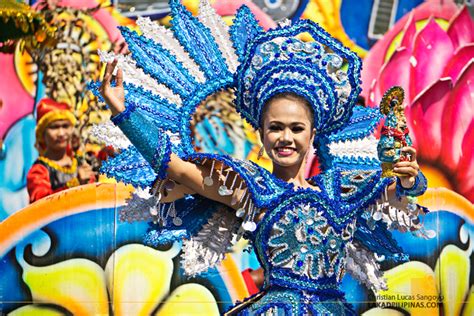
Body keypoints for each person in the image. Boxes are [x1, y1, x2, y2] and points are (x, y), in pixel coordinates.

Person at [91, 1, 430, 314]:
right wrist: (123, 110)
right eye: (275, 128)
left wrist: (410, 177)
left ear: (313, 134)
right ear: (262, 135)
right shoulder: (250, 188)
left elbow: (398, 190)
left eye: (297, 128)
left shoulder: (339, 189)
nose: (286, 138)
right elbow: (174, 167)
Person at [27, 98, 96, 203]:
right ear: (42, 134)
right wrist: (75, 183)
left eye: (65, 126)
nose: (61, 133)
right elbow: (40, 204)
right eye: (54, 127)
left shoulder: (79, 162)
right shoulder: (39, 170)